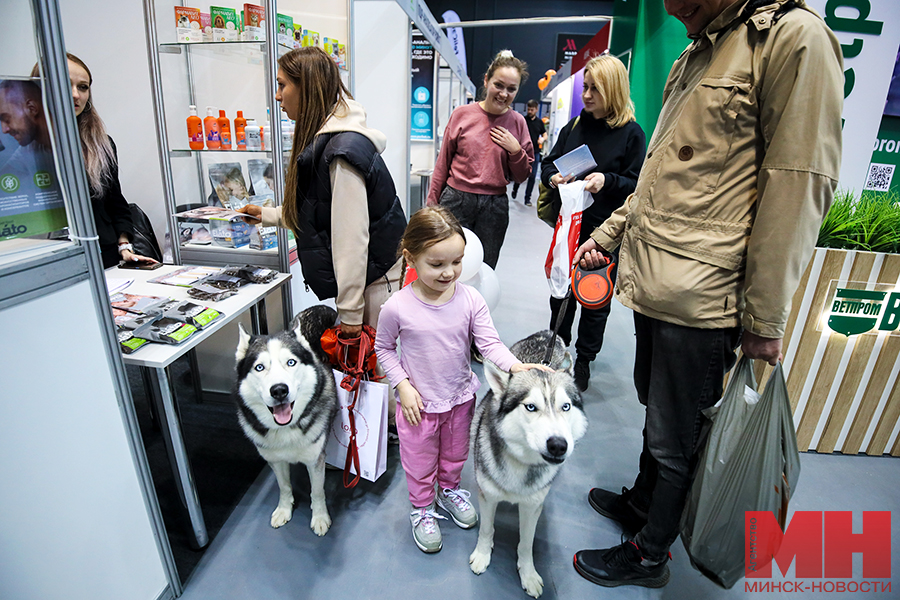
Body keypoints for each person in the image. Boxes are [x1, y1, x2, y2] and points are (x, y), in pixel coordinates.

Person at [569, 0, 843, 588]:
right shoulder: (701, 49)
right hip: (660, 279)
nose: (675, 12)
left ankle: (650, 554)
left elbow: (797, 186)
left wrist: (765, 317)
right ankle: (643, 504)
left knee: (679, 435)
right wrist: (609, 236)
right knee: (659, 411)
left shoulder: (794, 39)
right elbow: (660, 182)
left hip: (706, 291)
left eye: (687, 2)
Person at [374, 206, 549, 554]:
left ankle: (450, 489)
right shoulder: (397, 307)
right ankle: (423, 507)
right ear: (411, 258)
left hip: (459, 398)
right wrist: (402, 386)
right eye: (436, 264)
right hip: (418, 406)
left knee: (455, 455)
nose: (449, 272)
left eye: (456, 262)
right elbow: (384, 349)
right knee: (419, 460)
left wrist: (517, 367)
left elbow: (489, 343)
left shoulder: (470, 299)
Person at [237, 47, 406, 340]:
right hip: (371, 277)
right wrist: (268, 216)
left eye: (282, 85)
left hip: (375, 281)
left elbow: (350, 239)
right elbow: (321, 211)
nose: (277, 95)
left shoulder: (341, 152)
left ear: (307, 88)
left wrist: (351, 312)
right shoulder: (331, 143)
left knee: (374, 376)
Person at [540, 54, 646, 392]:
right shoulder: (575, 125)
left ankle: (584, 359)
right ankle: (558, 347)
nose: (586, 95)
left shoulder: (631, 134)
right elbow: (546, 166)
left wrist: (608, 180)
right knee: (560, 291)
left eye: (595, 89)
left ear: (613, 90)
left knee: (594, 297)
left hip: (604, 234)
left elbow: (637, 185)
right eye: (585, 88)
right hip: (568, 229)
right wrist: (554, 178)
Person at [27, 55, 157, 269]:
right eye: (64, 84)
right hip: (46, 258)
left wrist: (124, 247)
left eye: (83, 87)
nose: (75, 95)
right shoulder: (22, 147)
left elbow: (115, 202)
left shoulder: (100, 144)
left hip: (102, 256)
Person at [426, 50, 533, 270]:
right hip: (456, 200)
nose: (504, 94)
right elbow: (443, 163)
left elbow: (522, 175)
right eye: (499, 85)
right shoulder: (462, 114)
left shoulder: (518, 123)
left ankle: (476, 306)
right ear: (486, 80)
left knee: (484, 268)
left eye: (511, 89)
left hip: (494, 207)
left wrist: (515, 151)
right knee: (446, 265)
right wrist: (432, 206)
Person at [511, 99, 547, 206]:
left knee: (532, 175)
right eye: (529, 109)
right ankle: (515, 189)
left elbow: (544, 134)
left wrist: (542, 139)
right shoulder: (523, 120)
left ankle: (527, 199)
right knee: (520, 173)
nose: (530, 111)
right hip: (523, 151)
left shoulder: (540, 122)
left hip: (535, 151)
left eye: (532, 109)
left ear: (536, 110)